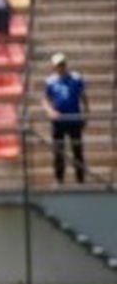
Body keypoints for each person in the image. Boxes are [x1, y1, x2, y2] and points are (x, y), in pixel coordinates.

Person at [41, 52, 88, 185]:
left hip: (74, 119)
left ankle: (80, 180)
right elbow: (45, 99)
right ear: (54, 67)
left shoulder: (76, 79)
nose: (61, 67)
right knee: (58, 152)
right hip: (58, 122)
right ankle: (59, 179)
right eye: (58, 65)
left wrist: (86, 112)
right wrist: (50, 111)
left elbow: (83, 96)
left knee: (77, 151)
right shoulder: (50, 81)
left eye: (62, 64)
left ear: (66, 64)